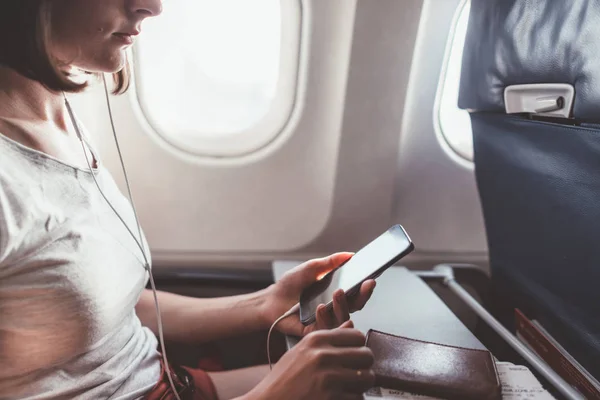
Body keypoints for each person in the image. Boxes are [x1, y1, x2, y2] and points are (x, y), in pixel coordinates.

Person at [0, 1, 377, 399]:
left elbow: (98, 311)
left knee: (377, 372)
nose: (153, 6)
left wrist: (265, 305)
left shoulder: (59, 118)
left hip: (169, 385)